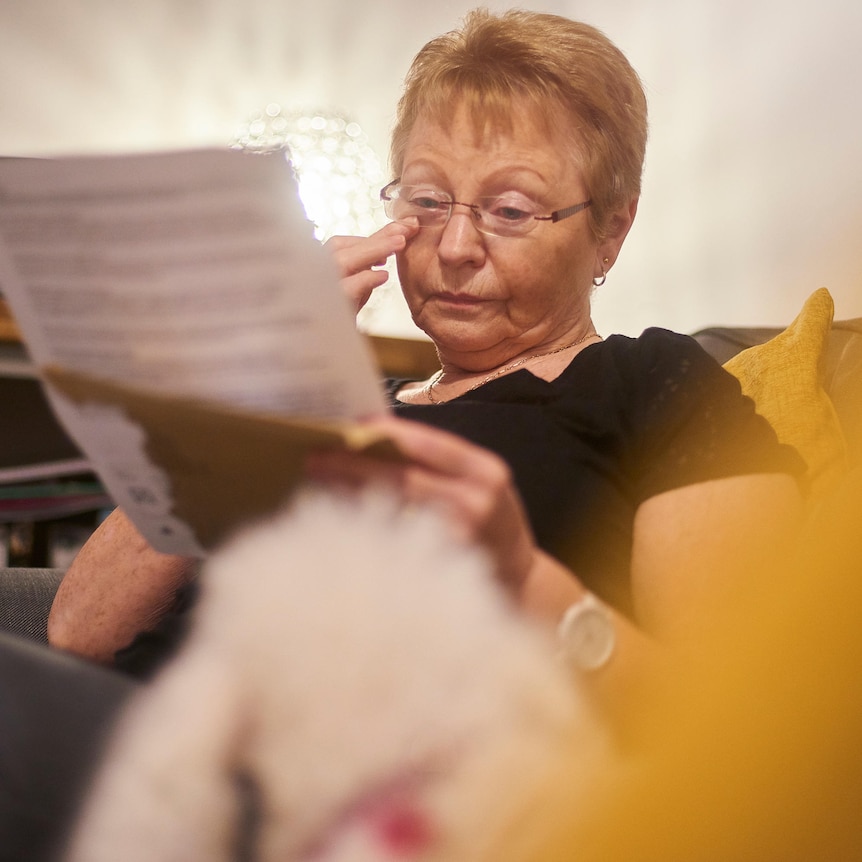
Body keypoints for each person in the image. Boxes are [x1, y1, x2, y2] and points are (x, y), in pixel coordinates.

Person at [47, 9, 803, 717]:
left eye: (509, 210)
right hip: (146, 745)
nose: (454, 247)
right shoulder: (318, 398)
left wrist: (528, 583)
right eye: (430, 200)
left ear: (610, 229)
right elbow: (79, 633)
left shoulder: (655, 388)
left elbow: (727, 729)